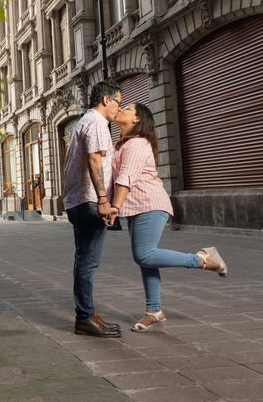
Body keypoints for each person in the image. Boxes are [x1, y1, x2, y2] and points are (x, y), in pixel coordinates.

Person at [108, 102, 228, 332]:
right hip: (136, 206)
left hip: (150, 204)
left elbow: (126, 178)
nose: (120, 109)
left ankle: (203, 259)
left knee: (144, 255)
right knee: (146, 259)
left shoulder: (136, 143)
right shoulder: (124, 144)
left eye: (127, 108)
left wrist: (114, 207)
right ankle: (154, 311)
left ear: (137, 120)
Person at [63, 82, 122, 337]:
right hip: (88, 200)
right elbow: (95, 158)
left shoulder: (84, 121)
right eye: (118, 103)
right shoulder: (97, 122)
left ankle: (87, 313)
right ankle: (85, 318)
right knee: (88, 261)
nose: (118, 109)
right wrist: (102, 199)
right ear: (106, 99)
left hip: (78, 200)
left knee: (83, 259)